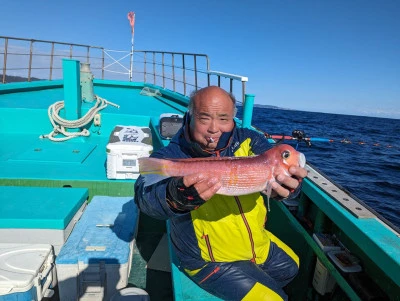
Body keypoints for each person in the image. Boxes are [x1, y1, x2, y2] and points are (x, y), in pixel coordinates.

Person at [134, 86, 308, 301]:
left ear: (233, 118)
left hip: (254, 243)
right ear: (190, 116)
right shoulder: (172, 156)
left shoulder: (251, 141)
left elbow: (282, 176)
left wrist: (290, 187)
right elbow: (144, 196)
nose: (214, 128)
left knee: (291, 268)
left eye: (223, 119)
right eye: (204, 118)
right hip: (207, 259)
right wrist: (174, 197)